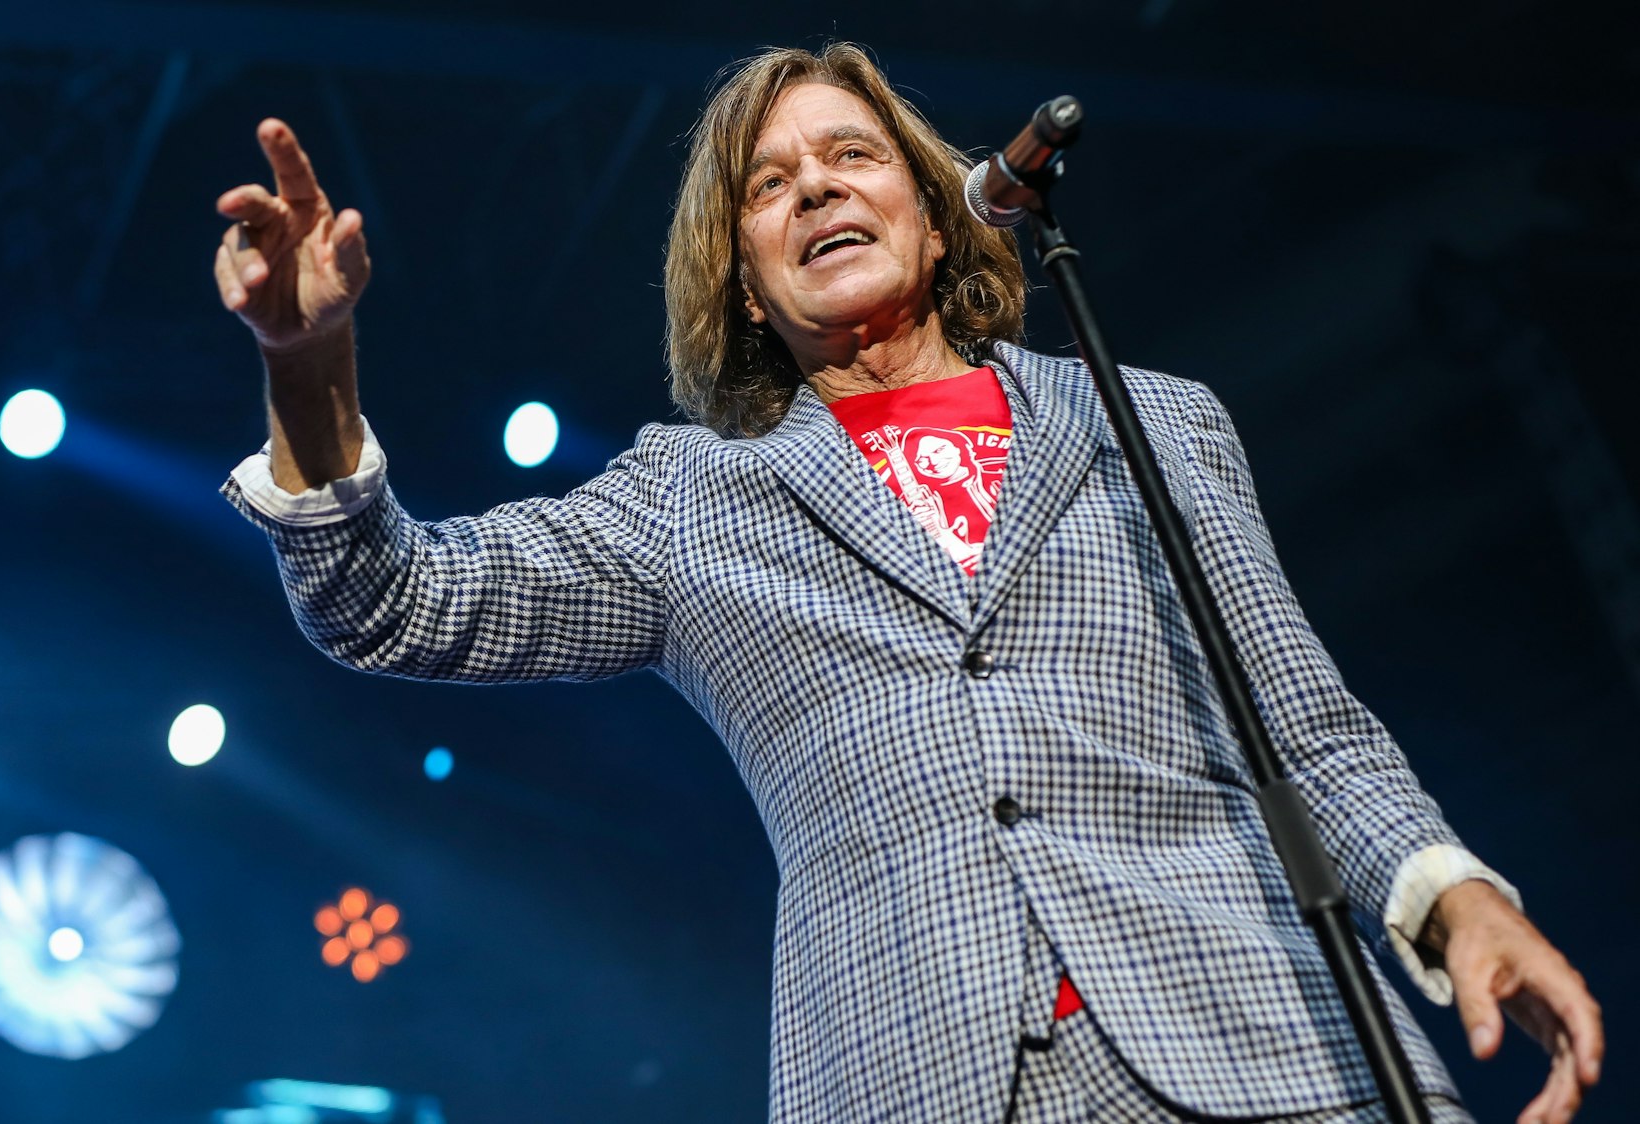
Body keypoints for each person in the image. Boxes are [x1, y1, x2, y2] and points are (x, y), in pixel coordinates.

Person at [210, 42, 1603, 1124]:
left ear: (937, 221)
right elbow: (395, 600)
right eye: (769, 183)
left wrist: (1454, 897)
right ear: (747, 285)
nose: (813, 186)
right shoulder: (688, 499)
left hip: (1259, 1032)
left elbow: (1297, 723)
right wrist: (305, 362)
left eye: (850, 156)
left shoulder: (1152, 420)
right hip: (917, 1065)